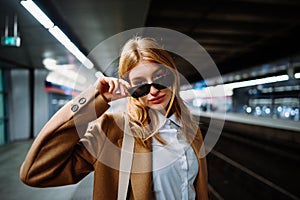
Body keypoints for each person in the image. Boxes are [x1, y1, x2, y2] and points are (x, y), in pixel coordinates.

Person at [20, 36, 208, 200]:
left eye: (160, 77)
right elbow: (35, 172)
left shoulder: (189, 127)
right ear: (130, 87)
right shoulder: (112, 130)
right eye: (140, 84)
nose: (153, 91)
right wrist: (92, 101)